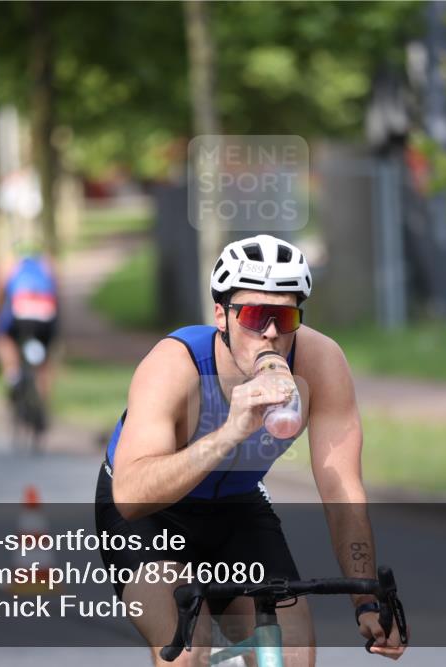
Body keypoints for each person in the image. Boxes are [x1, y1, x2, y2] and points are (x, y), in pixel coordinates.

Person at [95, 234, 406, 665]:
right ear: (221, 315)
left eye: (285, 316)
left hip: (235, 508)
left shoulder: (319, 362)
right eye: (255, 317)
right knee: (188, 649)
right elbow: (130, 498)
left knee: (293, 653)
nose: (272, 333)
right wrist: (229, 432)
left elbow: (342, 494)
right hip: (154, 515)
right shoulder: (174, 366)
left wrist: (366, 602)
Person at [0, 242, 60, 420]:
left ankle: (13, 376)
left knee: (3, 338)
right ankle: (42, 404)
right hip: (46, 313)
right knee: (44, 360)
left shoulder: (9, 265)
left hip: (19, 312)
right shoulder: (47, 264)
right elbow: (56, 293)